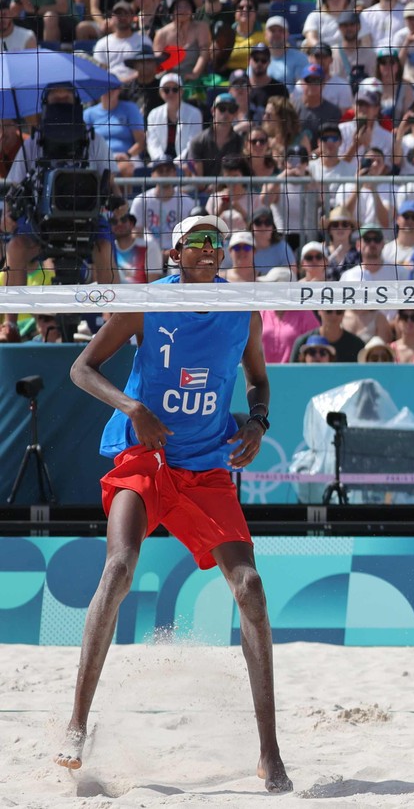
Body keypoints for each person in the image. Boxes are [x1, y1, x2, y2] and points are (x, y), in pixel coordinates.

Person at [57, 214, 290, 793]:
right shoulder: (144, 303)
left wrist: (258, 420)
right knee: (117, 569)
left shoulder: (242, 310)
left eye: (219, 241)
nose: (212, 249)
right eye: (201, 241)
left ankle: (269, 752)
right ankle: (76, 727)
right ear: (177, 252)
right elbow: (81, 368)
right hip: (146, 458)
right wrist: (132, 408)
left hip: (207, 465)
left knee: (252, 590)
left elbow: (259, 381)